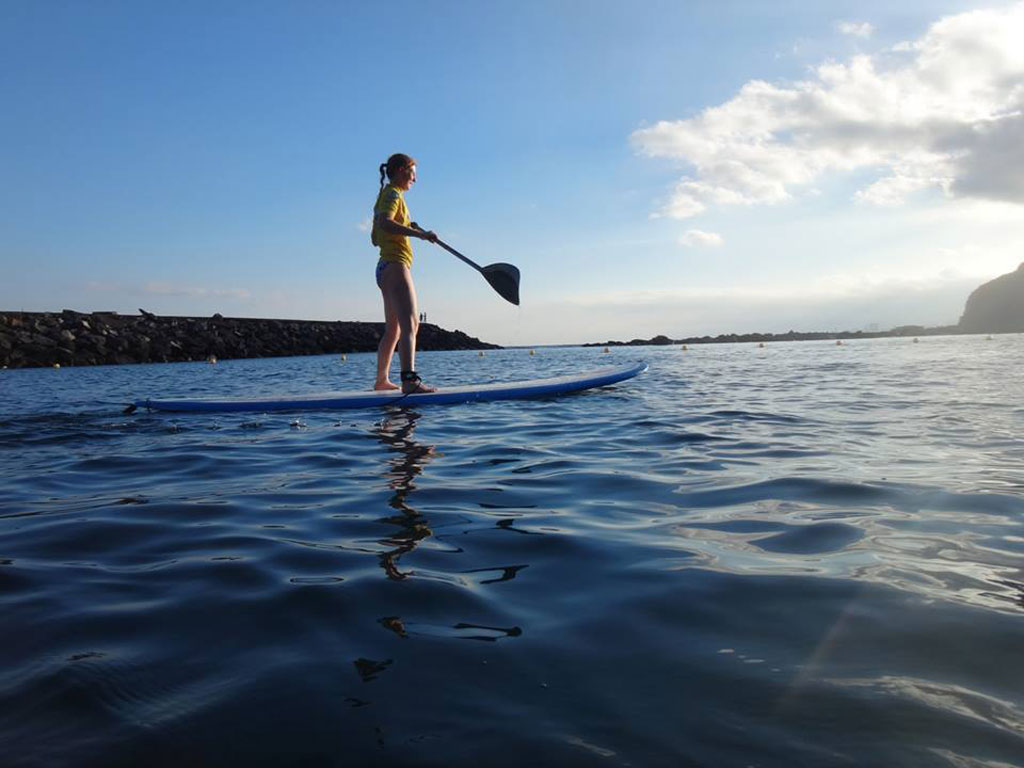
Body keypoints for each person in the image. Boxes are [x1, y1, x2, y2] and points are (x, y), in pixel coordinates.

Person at [371, 153, 439, 393]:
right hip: (395, 265)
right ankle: (409, 380)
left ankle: (381, 380)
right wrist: (420, 235)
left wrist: (408, 226)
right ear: (401, 170)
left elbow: (375, 237)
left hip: (384, 267)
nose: (415, 179)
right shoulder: (392, 194)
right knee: (411, 323)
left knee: (394, 329)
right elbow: (385, 223)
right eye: (413, 174)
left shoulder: (385, 195)